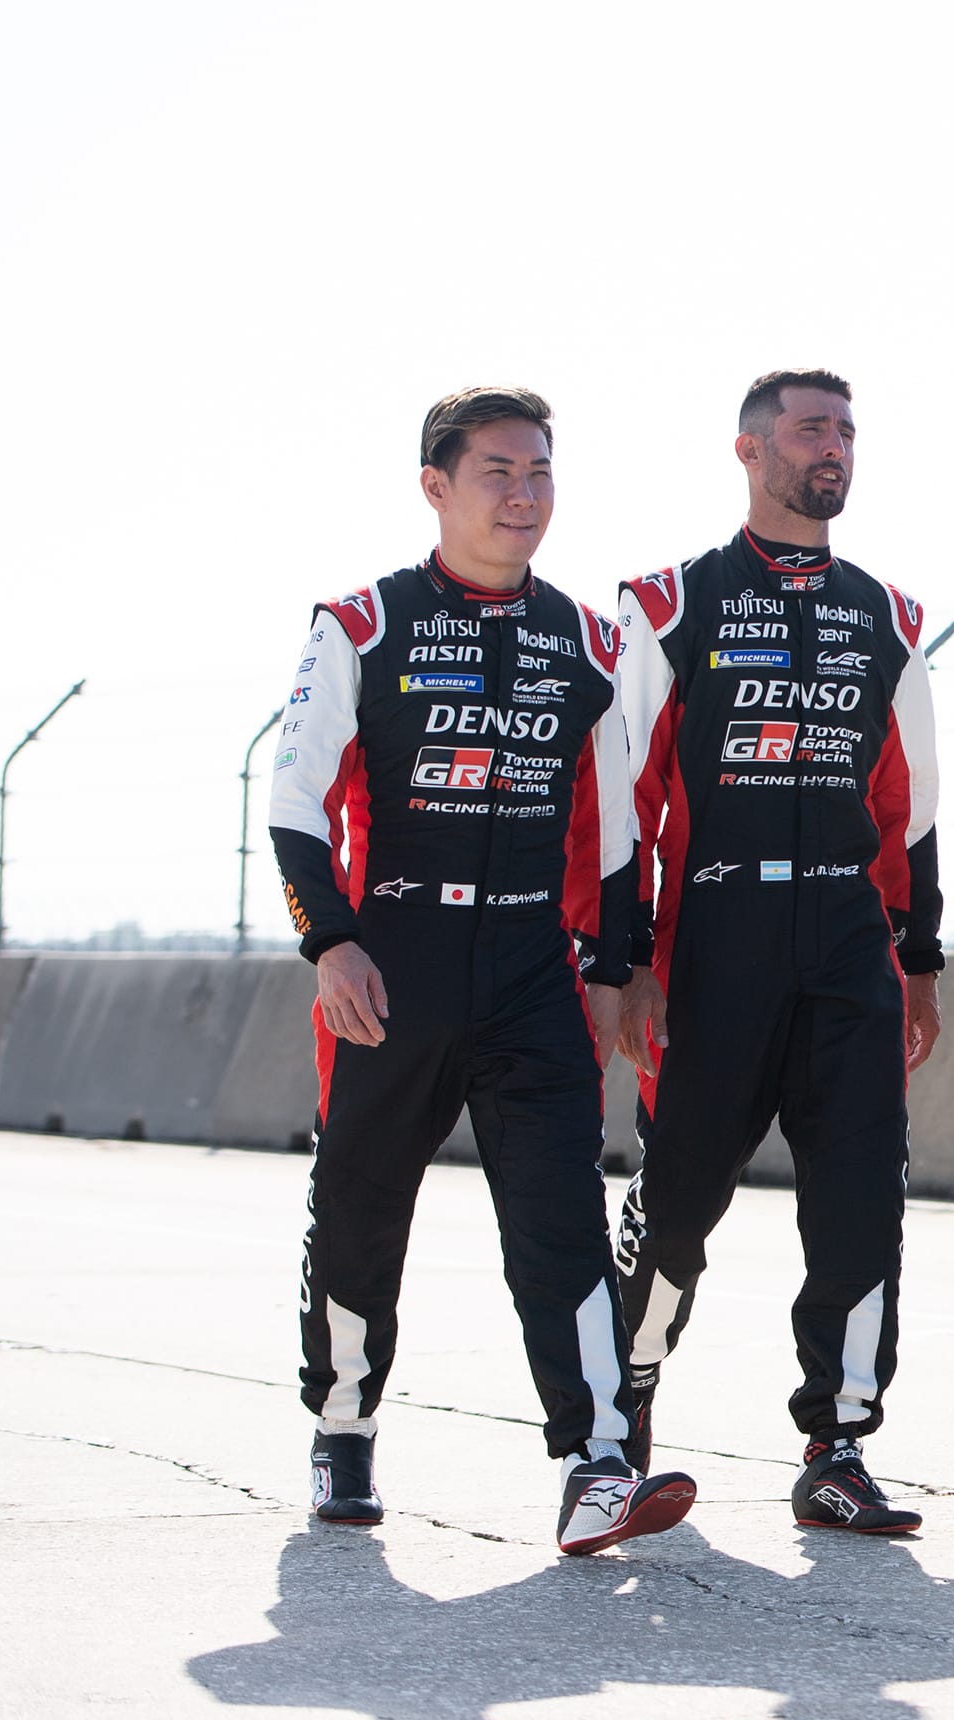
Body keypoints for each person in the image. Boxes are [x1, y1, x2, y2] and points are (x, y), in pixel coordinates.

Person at [269, 385, 694, 1556]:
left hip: (530, 968)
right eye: (498, 471)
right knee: (360, 1208)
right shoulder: (361, 623)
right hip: (391, 961)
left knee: (561, 1218)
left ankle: (596, 1461)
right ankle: (344, 1425)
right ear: (436, 486)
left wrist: (612, 967)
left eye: (540, 470)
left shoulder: (589, 640)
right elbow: (295, 802)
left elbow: (613, 830)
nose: (524, 493)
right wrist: (330, 940)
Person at [607, 369, 946, 1535]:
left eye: (846, 430)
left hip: (850, 945)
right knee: (678, 1200)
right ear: (751, 450)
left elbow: (910, 804)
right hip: (716, 944)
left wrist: (920, 957)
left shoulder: (889, 615)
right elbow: (624, 796)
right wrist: (627, 959)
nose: (833, 446)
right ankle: (623, 1399)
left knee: (863, 1203)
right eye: (810, 428)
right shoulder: (669, 603)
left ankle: (839, 1445)